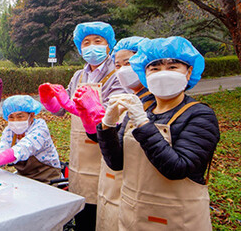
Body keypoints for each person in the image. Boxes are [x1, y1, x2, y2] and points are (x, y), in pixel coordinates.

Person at [97, 36, 219, 230]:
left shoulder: (200, 115)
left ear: (188, 73)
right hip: (133, 215)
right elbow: (116, 162)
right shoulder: (138, 110)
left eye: (172, 67)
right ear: (144, 74)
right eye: (155, 68)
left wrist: (144, 124)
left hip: (177, 219)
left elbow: (177, 168)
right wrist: (107, 126)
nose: (163, 74)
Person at [38, 21, 126, 230]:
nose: (91, 46)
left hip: (106, 149)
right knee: (83, 208)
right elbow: (61, 110)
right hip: (81, 153)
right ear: (80, 48)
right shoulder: (79, 75)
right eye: (86, 42)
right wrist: (50, 100)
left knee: (102, 208)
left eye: (98, 41)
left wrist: (71, 104)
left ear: (109, 45)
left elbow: (112, 115)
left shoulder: (118, 74)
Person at [73, 36, 152, 230]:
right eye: (119, 65)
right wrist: (86, 116)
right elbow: (111, 148)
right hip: (95, 158)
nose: (123, 70)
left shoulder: (157, 104)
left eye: (129, 64)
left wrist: (97, 112)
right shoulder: (78, 75)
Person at [0, 95, 62, 183]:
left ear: (31, 115)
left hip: (48, 178)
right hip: (24, 177)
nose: (15, 121)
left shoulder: (40, 128)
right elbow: (2, 149)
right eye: (11, 117)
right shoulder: (10, 130)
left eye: (20, 117)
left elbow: (22, 148)